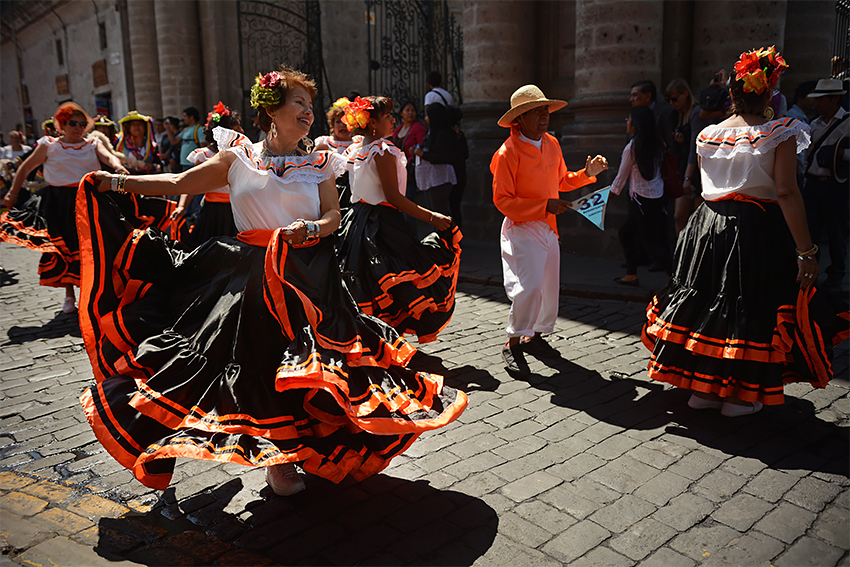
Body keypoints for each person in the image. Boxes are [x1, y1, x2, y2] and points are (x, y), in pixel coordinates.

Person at [76, 67, 467, 497]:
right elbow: (177, 182)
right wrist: (116, 181)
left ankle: (300, 452)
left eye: (310, 105)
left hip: (306, 278)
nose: (308, 111)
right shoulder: (237, 158)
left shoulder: (320, 163)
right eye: (299, 102)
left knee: (305, 369)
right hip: (246, 277)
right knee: (256, 367)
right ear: (272, 110)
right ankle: (278, 461)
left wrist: (311, 229)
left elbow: (333, 216)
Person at [643, 47, 847, 417]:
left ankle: (703, 391)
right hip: (755, 228)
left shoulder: (709, 134)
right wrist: (806, 250)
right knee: (747, 307)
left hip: (706, 227)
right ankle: (738, 396)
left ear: (732, 94)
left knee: (710, 302)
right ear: (768, 94)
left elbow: (707, 182)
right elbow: (786, 192)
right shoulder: (778, 132)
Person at [491, 85, 608, 373]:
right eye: (536, 111)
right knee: (529, 287)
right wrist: (544, 205)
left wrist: (587, 174)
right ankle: (513, 341)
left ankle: (535, 337)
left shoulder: (551, 143)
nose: (544, 116)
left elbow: (561, 180)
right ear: (519, 118)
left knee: (548, 288)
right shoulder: (507, 152)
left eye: (545, 110)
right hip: (522, 228)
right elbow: (503, 200)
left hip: (547, 227)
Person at [337, 96, 462, 344]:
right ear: (373, 123)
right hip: (381, 224)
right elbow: (394, 197)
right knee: (395, 279)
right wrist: (431, 216)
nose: (393, 120)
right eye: (387, 116)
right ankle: (383, 339)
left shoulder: (356, 149)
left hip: (358, 222)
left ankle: (377, 338)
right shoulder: (382, 151)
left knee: (374, 281)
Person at [0, 102, 129, 313]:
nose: (78, 127)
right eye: (73, 123)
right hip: (58, 203)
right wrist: (12, 193)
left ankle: (97, 292)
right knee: (64, 248)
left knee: (96, 245)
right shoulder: (49, 145)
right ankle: (69, 295)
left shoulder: (93, 143)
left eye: (82, 123)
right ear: (62, 125)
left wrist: (117, 166)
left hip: (89, 199)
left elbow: (108, 156)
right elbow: (26, 167)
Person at [612, 106, 671, 286]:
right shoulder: (659, 144)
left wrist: (604, 197)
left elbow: (620, 178)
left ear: (636, 124)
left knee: (649, 243)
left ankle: (679, 279)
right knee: (626, 233)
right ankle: (631, 274)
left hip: (640, 200)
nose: (627, 121)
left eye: (629, 118)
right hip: (657, 197)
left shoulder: (632, 147)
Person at [171, 101, 241, 245]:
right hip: (212, 211)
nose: (242, 132)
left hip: (238, 209)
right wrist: (182, 207)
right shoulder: (205, 156)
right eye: (236, 129)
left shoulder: (243, 153)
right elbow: (192, 183)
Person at [803, 78, 849, 289]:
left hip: (835, 185)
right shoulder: (813, 124)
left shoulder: (847, 122)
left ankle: (836, 275)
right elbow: (807, 155)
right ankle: (811, 272)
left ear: (835, 99)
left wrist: (841, 154)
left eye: (821, 99)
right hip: (814, 185)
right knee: (811, 231)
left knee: (836, 231)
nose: (817, 103)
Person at [412, 103, 459, 218]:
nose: (426, 119)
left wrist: (423, 154)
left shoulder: (446, 134)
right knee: (433, 213)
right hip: (430, 179)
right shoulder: (432, 133)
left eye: (428, 116)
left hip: (441, 179)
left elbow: (443, 156)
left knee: (439, 214)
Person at [665, 79, 695, 233]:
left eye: (674, 99)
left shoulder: (696, 113)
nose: (672, 103)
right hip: (684, 168)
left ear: (686, 94)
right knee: (679, 217)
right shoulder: (679, 115)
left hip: (696, 171)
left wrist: (688, 177)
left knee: (698, 219)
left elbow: (696, 147)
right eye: (669, 100)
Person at [314, 98, 356, 208]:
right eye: (338, 122)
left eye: (345, 121)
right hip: (329, 194)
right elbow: (310, 169)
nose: (342, 125)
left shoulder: (359, 143)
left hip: (353, 195)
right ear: (332, 125)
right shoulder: (324, 143)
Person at [392, 100, 427, 228]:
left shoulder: (418, 128)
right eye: (407, 110)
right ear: (401, 113)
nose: (410, 113)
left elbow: (423, 146)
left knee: (408, 203)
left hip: (410, 172)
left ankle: (413, 235)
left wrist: (411, 155)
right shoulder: (398, 129)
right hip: (398, 171)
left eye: (413, 110)